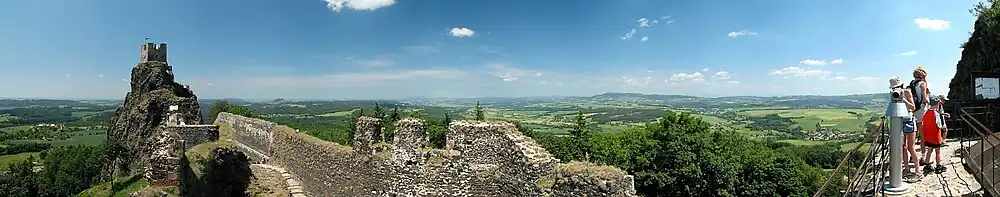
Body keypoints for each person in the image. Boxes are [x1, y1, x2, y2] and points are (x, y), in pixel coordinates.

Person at [892, 77, 922, 182]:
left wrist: (903, 100)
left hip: (909, 120)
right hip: (899, 121)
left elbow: (913, 107)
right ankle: (907, 169)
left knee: (911, 147)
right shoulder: (893, 94)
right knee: (903, 147)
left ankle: (918, 171)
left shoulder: (907, 92)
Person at [906, 66, 932, 165]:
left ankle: (912, 156)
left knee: (914, 134)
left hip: (913, 110)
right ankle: (923, 157)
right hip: (921, 110)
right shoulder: (922, 84)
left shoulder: (912, 83)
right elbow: (925, 99)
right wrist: (930, 104)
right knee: (923, 135)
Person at [921, 95, 948, 174]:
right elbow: (939, 125)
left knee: (929, 150)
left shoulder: (926, 113)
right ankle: (938, 165)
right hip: (935, 136)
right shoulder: (936, 114)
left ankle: (927, 165)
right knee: (937, 151)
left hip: (928, 136)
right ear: (937, 104)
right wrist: (943, 129)